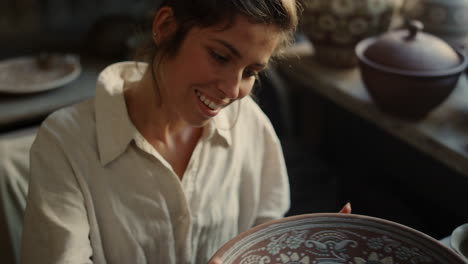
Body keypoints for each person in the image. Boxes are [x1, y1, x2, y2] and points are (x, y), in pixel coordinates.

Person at [21, 0, 350, 263]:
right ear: (165, 27)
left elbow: (261, 243)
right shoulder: (65, 142)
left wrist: (310, 247)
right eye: (220, 56)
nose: (232, 89)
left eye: (251, 71)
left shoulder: (248, 121)